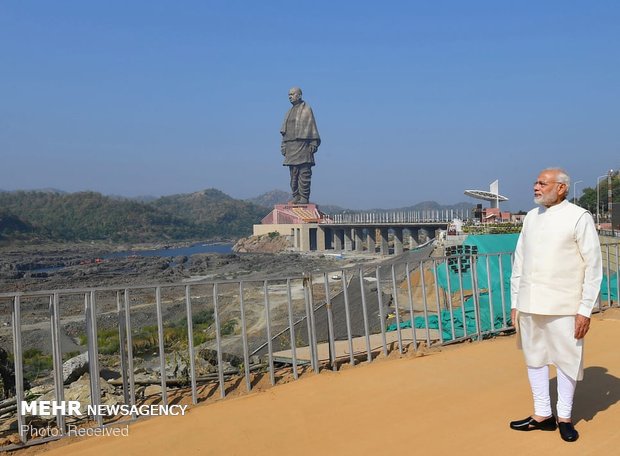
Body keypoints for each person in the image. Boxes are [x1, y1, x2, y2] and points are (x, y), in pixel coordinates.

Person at [509, 167, 602, 442]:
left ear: (561, 188)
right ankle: (542, 415)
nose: (536, 187)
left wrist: (585, 309)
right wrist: (516, 301)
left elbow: (593, 266)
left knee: (566, 361)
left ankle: (564, 417)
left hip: (565, 305)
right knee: (534, 359)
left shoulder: (579, 217)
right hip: (530, 303)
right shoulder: (531, 218)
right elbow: (520, 262)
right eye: (536, 183)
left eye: (542, 183)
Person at [280, 87, 320, 204]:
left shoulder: (306, 109)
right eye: (289, 95)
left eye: (292, 94)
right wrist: (283, 145)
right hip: (290, 146)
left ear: (299, 95)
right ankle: (296, 195)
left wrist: (313, 142)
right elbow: (284, 132)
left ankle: (304, 197)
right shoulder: (288, 112)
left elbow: (312, 126)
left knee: (304, 173)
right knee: (293, 175)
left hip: (303, 145)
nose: (290, 96)